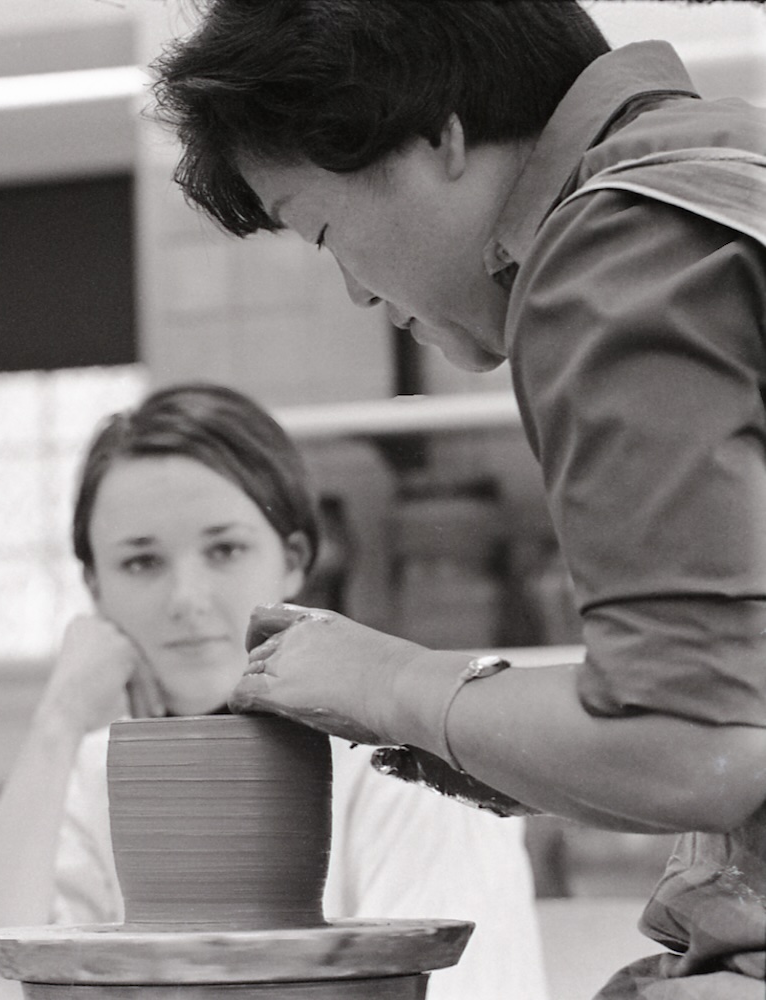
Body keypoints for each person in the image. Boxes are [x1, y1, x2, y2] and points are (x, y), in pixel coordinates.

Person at [152, 2, 766, 995]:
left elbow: (701, 752)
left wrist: (389, 681)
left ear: (440, 134)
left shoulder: (619, 245)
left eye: (323, 229)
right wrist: (438, 735)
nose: (354, 289)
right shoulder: (721, 172)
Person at [0, 384, 549, 1000]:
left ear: (294, 558)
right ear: (94, 587)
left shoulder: (406, 764)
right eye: (141, 563)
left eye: (225, 550)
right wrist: (57, 722)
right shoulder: (91, 773)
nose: (187, 601)